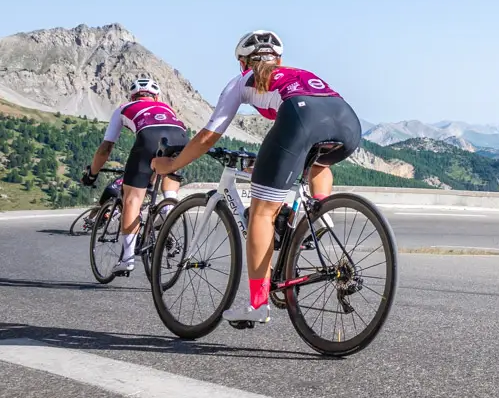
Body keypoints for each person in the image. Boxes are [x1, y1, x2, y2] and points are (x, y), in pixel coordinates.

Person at [153, 30, 362, 326]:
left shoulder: (241, 82)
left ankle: (257, 304)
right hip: (348, 122)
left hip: (301, 118)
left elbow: (208, 136)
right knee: (315, 165)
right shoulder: (299, 73)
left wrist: (173, 163)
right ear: (279, 59)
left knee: (261, 214)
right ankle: (318, 214)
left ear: (242, 62)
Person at [83, 77, 188, 275]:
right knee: (169, 194)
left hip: (148, 139)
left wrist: (92, 173)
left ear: (133, 96)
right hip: (180, 138)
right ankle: (167, 216)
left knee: (132, 199)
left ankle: (127, 259)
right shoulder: (166, 108)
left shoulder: (125, 108)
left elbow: (105, 148)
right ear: (156, 97)